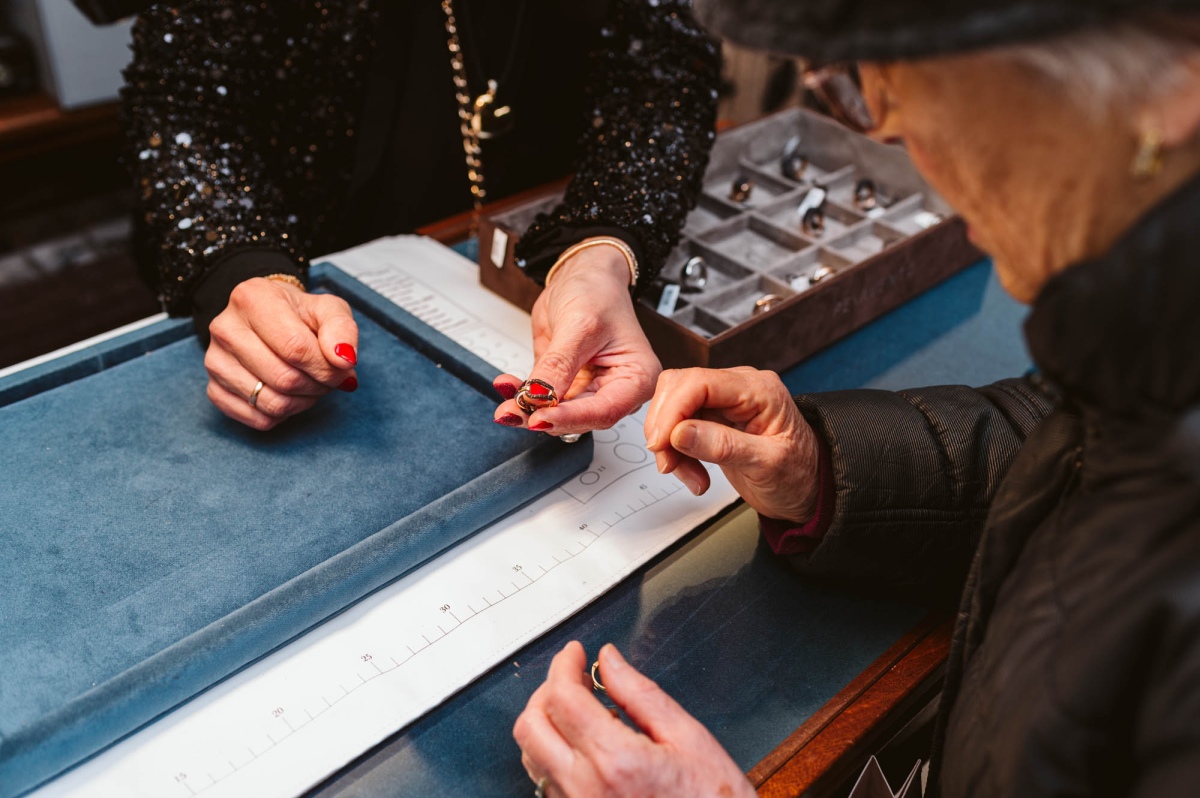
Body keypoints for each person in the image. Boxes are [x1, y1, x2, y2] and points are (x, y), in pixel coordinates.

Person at [513, 1, 1200, 795]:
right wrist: (826, 474)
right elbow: (1071, 454)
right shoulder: (1154, 345)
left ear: (1175, 76)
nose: (901, 148)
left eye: (902, 86)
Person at [121, 0, 719, 433]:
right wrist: (243, 265)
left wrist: (601, 248)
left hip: (516, 237)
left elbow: (664, 81)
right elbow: (181, 110)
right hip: (310, 245)